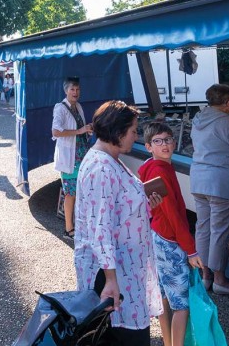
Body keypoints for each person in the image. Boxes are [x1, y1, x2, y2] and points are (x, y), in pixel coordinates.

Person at [74, 100, 163, 346]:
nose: (135, 136)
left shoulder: (109, 159)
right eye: (133, 130)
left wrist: (144, 205)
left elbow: (116, 210)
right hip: (113, 274)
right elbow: (100, 229)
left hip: (123, 270)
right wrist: (111, 280)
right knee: (120, 336)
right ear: (118, 130)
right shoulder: (101, 167)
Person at [138, 121, 201, 346]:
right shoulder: (160, 171)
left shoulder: (152, 166)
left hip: (158, 235)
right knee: (181, 305)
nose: (164, 144)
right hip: (169, 240)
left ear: (174, 142)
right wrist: (191, 250)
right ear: (148, 146)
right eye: (157, 141)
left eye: (167, 139)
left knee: (165, 298)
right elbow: (174, 215)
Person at [189, 83, 229, 295]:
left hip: (198, 180)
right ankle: (221, 280)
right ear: (227, 102)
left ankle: (206, 276)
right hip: (220, 181)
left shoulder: (198, 120)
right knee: (220, 232)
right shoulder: (227, 122)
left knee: (203, 228)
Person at [51, 77, 91, 239]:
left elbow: (80, 129)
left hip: (82, 155)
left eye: (78, 89)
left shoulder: (78, 106)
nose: (75, 92)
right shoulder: (60, 108)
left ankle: (80, 225)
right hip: (69, 158)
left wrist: (87, 130)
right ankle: (69, 229)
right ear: (66, 91)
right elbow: (56, 132)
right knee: (70, 193)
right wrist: (80, 131)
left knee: (82, 191)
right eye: (72, 89)